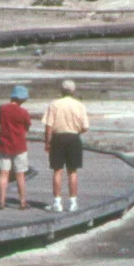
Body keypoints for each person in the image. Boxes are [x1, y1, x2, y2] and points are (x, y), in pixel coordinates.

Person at [42, 76, 90, 213]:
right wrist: (76, 132)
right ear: (73, 91)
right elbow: (85, 127)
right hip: (74, 138)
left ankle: (57, 202)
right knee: (72, 171)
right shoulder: (80, 105)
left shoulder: (54, 104)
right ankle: (73, 202)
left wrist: (47, 142)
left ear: (61, 91)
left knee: (57, 170)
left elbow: (48, 125)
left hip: (57, 138)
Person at [0, 83, 33, 210]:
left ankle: (1, 202)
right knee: (20, 175)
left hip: (4, 145)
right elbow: (27, 126)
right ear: (21, 99)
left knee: (4, 174)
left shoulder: (2, 109)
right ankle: (22, 202)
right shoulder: (23, 112)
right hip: (19, 145)